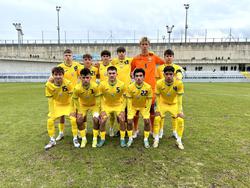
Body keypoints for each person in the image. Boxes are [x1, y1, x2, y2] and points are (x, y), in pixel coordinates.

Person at [131, 37, 165, 138]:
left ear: (149, 45)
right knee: (136, 110)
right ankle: (135, 130)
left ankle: (151, 129)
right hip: (138, 89)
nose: (144, 46)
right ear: (140, 45)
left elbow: (163, 63)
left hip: (151, 89)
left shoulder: (153, 57)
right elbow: (132, 72)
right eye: (143, 44)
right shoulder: (135, 59)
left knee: (151, 111)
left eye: (146, 44)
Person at [44, 67, 80, 150]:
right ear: (52, 75)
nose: (58, 76)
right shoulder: (48, 85)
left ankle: (75, 138)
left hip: (68, 105)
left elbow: (72, 97)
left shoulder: (68, 83)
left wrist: (72, 110)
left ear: (63, 75)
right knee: (50, 120)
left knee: (73, 119)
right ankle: (52, 140)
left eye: (60, 74)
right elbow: (50, 100)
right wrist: (52, 112)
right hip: (57, 105)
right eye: (56, 75)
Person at [55, 49, 84, 141]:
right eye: (66, 55)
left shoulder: (77, 65)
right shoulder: (60, 66)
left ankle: (79, 131)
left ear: (72, 56)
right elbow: (54, 78)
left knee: (76, 113)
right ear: (64, 56)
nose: (68, 57)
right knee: (61, 114)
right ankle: (61, 133)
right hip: (62, 94)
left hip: (74, 93)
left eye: (69, 55)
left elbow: (83, 75)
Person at [153, 66, 185, 149]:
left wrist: (180, 110)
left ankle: (179, 140)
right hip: (163, 103)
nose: (168, 76)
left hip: (174, 104)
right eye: (166, 74)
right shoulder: (159, 83)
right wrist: (157, 109)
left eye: (170, 74)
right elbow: (157, 98)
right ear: (163, 74)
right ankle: (156, 139)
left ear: (173, 74)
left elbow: (179, 98)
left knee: (180, 119)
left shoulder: (179, 83)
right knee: (157, 118)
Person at [156, 49, 184, 139]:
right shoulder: (160, 68)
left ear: (173, 57)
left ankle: (174, 131)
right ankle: (161, 130)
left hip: (173, 94)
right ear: (164, 57)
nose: (169, 58)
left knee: (175, 115)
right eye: (167, 56)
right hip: (162, 93)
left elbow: (180, 76)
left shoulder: (177, 67)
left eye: (170, 56)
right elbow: (157, 80)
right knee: (161, 114)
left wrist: (179, 77)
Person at [71, 68, 100, 148]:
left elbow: (98, 99)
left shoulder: (95, 86)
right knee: (79, 119)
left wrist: (98, 110)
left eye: (87, 77)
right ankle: (84, 138)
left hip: (94, 105)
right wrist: (79, 111)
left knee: (96, 119)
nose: (85, 80)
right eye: (83, 78)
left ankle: (95, 138)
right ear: (80, 78)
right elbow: (75, 99)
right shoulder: (77, 88)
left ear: (90, 78)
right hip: (83, 106)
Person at [98, 66, 126, 147]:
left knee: (122, 119)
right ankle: (102, 139)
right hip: (107, 105)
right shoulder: (102, 84)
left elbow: (125, 98)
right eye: (110, 73)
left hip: (118, 105)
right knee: (103, 120)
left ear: (116, 74)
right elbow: (100, 97)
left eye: (113, 73)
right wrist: (102, 109)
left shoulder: (122, 84)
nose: (111, 75)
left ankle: (122, 139)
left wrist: (123, 109)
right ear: (107, 74)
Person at [126, 68, 152, 148]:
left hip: (143, 106)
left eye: (141, 76)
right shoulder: (130, 87)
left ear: (144, 77)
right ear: (133, 77)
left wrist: (146, 112)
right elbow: (129, 101)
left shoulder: (148, 87)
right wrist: (130, 112)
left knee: (147, 121)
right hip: (133, 106)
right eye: (136, 76)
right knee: (129, 121)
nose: (138, 78)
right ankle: (130, 138)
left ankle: (146, 139)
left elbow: (149, 100)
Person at [111, 46, 133, 136]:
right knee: (119, 111)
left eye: (122, 52)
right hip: (117, 90)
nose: (121, 53)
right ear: (117, 53)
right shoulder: (114, 61)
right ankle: (121, 129)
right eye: (119, 52)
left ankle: (128, 129)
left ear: (125, 53)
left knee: (127, 111)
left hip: (127, 90)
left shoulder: (130, 60)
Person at [97, 50, 116, 137]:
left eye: (107, 56)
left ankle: (111, 128)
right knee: (102, 113)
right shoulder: (98, 66)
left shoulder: (113, 66)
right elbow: (97, 76)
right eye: (103, 56)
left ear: (109, 57)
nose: (105, 57)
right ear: (101, 58)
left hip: (112, 92)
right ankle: (100, 130)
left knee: (112, 113)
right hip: (102, 92)